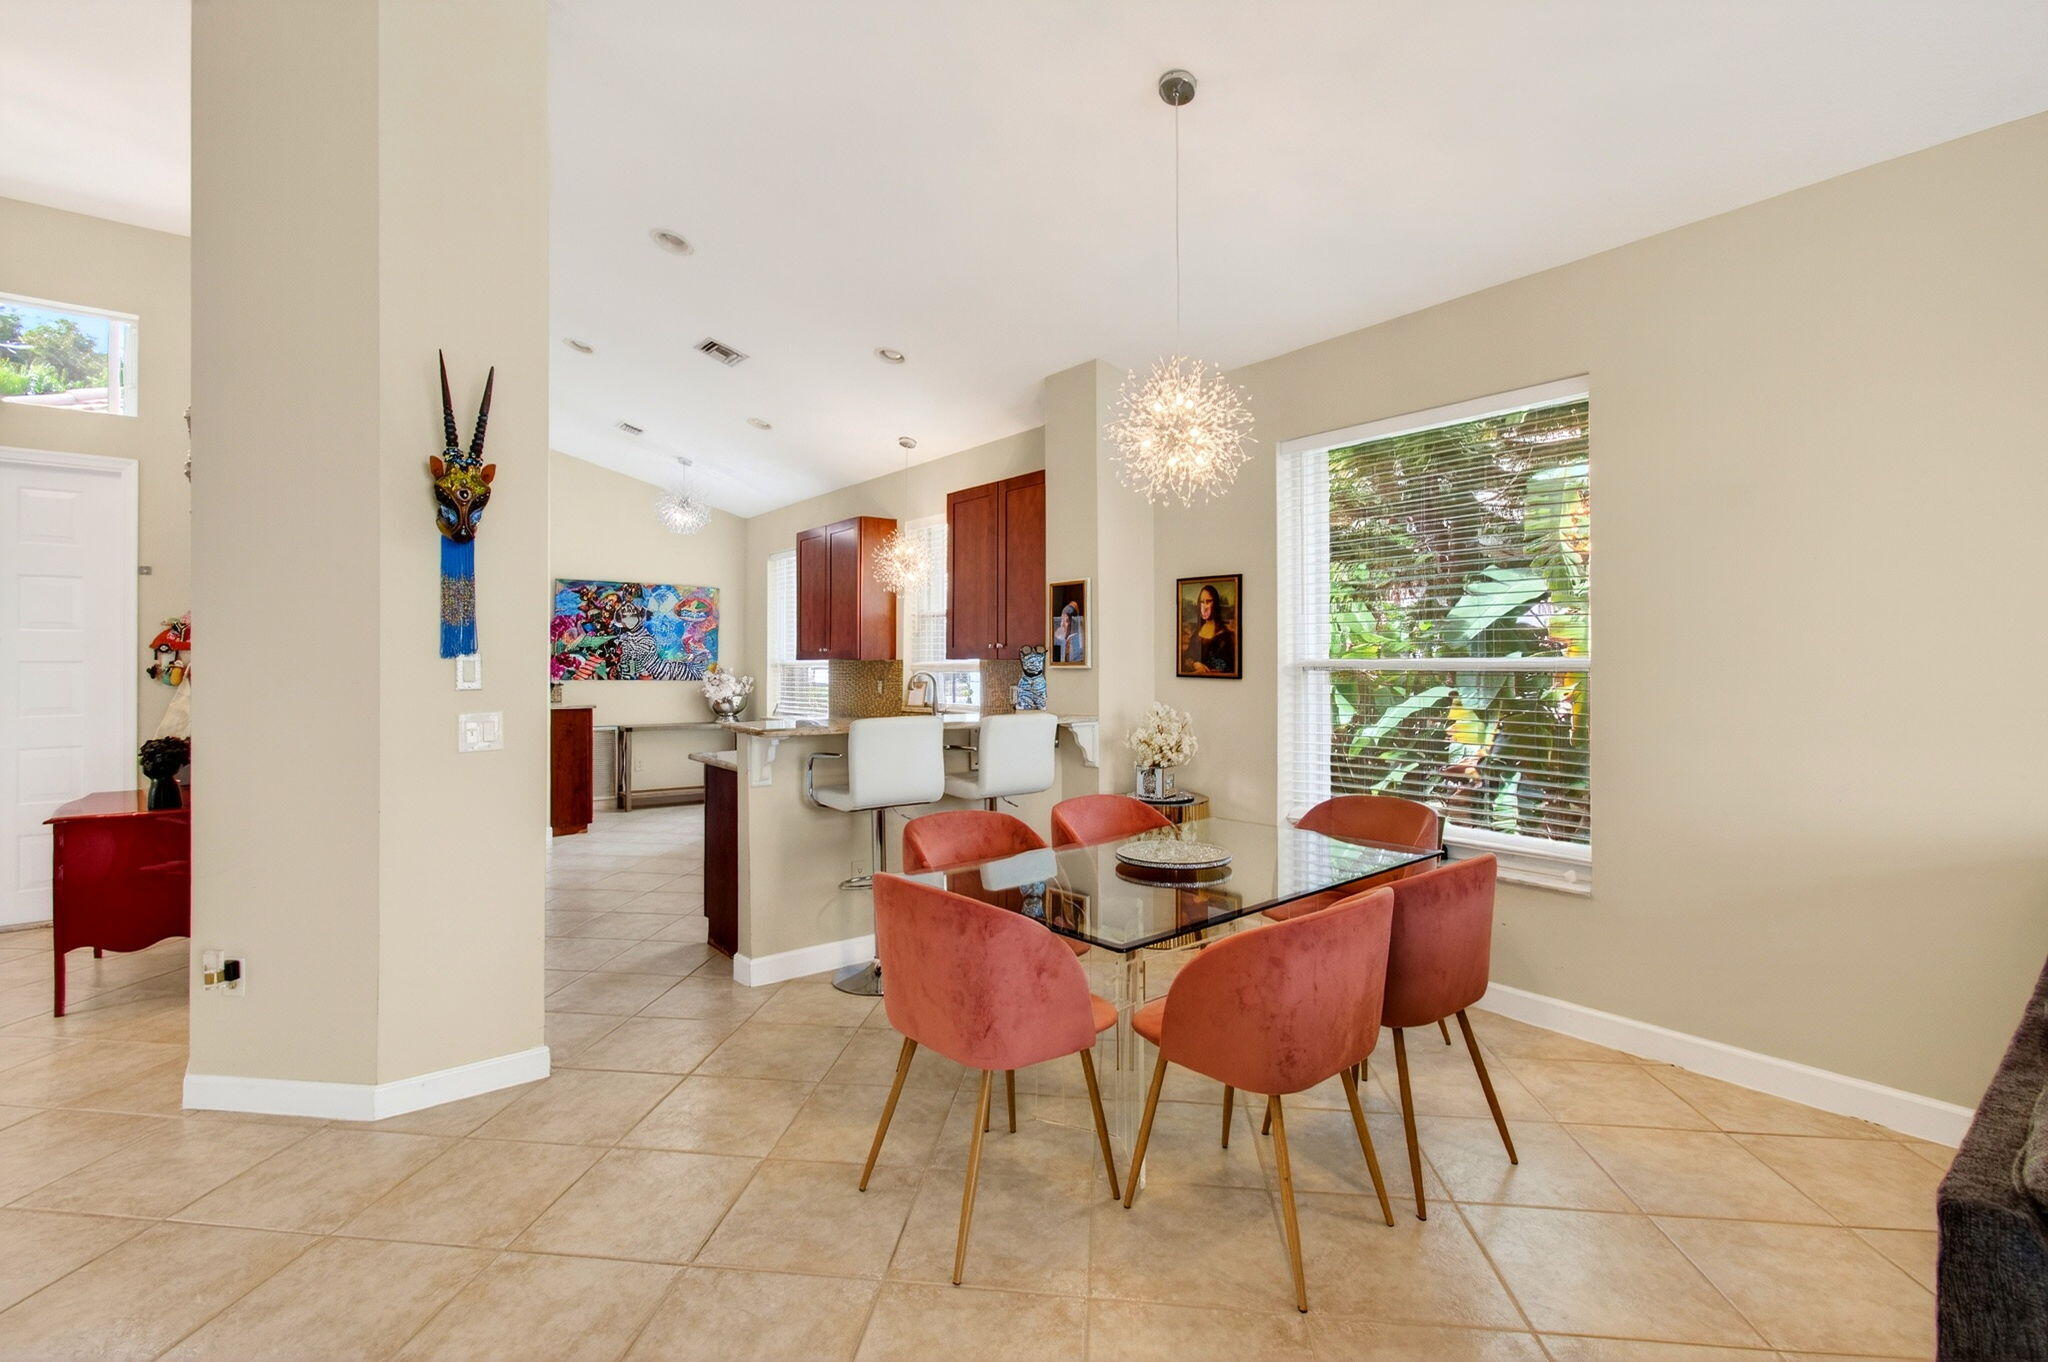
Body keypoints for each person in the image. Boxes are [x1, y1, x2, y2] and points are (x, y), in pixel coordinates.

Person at [1180, 582, 1237, 676]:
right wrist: (1195, 664)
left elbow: (1229, 668)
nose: (1204, 607)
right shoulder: (1197, 632)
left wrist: (1208, 671)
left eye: (1208, 601)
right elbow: (1187, 657)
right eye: (1202, 602)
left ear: (1215, 603)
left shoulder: (1225, 636)